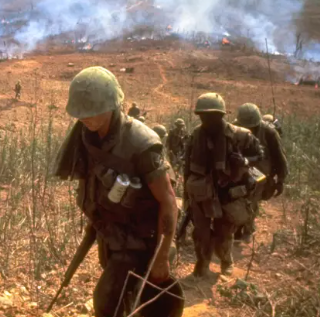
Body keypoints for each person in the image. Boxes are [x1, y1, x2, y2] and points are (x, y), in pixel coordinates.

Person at [54, 67, 180, 316]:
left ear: (112, 105)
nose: (85, 118)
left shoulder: (141, 143)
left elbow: (168, 199)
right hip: (110, 233)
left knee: (106, 303)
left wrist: (162, 255)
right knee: (123, 298)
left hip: (138, 240)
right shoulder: (86, 136)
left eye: (92, 111)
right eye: (81, 113)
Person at [184, 93, 263, 277]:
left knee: (224, 232)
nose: (207, 120)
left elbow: (260, 155)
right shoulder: (196, 136)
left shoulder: (240, 135)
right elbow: (187, 167)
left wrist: (244, 161)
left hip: (228, 192)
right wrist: (187, 196)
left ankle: (226, 260)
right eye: (203, 116)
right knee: (201, 232)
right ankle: (203, 262)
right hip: (202, 191)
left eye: (212, 116)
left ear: (221, 115)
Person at [234, 103, 288, 242]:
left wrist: (280, 180)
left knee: (252, 199)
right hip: (239, 169)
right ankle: (237, 227)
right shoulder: (234, 128)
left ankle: (247, 229)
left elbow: (280, 158)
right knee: (236, 197)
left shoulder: (269, 133)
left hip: (260, 172)